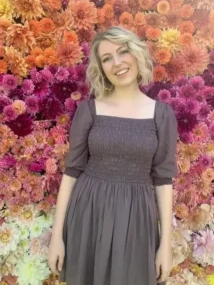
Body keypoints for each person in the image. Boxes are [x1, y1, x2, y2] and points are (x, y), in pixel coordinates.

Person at [48, 26, 178, 285]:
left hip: (137, 218)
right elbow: (72, 172)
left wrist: (165, 244)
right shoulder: (90, 111)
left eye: (122, 52)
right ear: (101, 67)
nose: (117, 63)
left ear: (136, 54)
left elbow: (163, 180)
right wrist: (57, 237)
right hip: (88, 214)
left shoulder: (161, 115)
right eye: (107, 58)